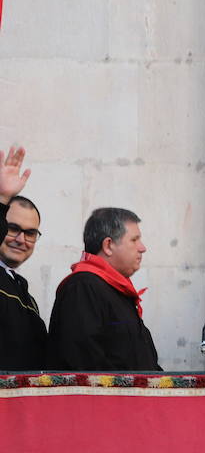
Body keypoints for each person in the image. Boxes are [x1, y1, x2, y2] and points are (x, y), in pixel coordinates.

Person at [47, 207, 160, 371]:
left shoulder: (114, 290)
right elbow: (85, 363)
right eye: (134, 240)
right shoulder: (83, 287)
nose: (142, 248)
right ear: (108, 245)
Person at [0, 145, 46, 369]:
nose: (21, 239)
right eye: (12, 228)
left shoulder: (23, 291)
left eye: (30, 233)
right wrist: (2, 197)